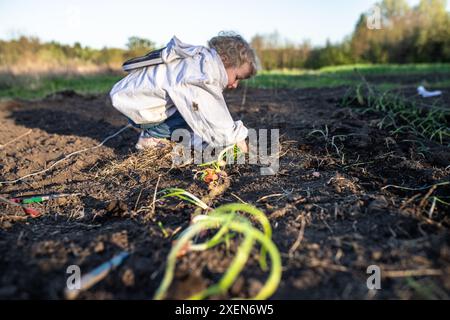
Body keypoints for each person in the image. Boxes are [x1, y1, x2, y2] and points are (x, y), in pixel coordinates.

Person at [110, 32, 258, 152]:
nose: (235, 84)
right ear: (225, 60)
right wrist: (236, 138)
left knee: (194, 110)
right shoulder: (202, 71)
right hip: (141, 105)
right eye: (237, 77)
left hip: (137, 100)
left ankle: (158, 133)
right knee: (196, 109)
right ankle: (152, 138)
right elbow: (212, 113)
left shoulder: (200, 61)